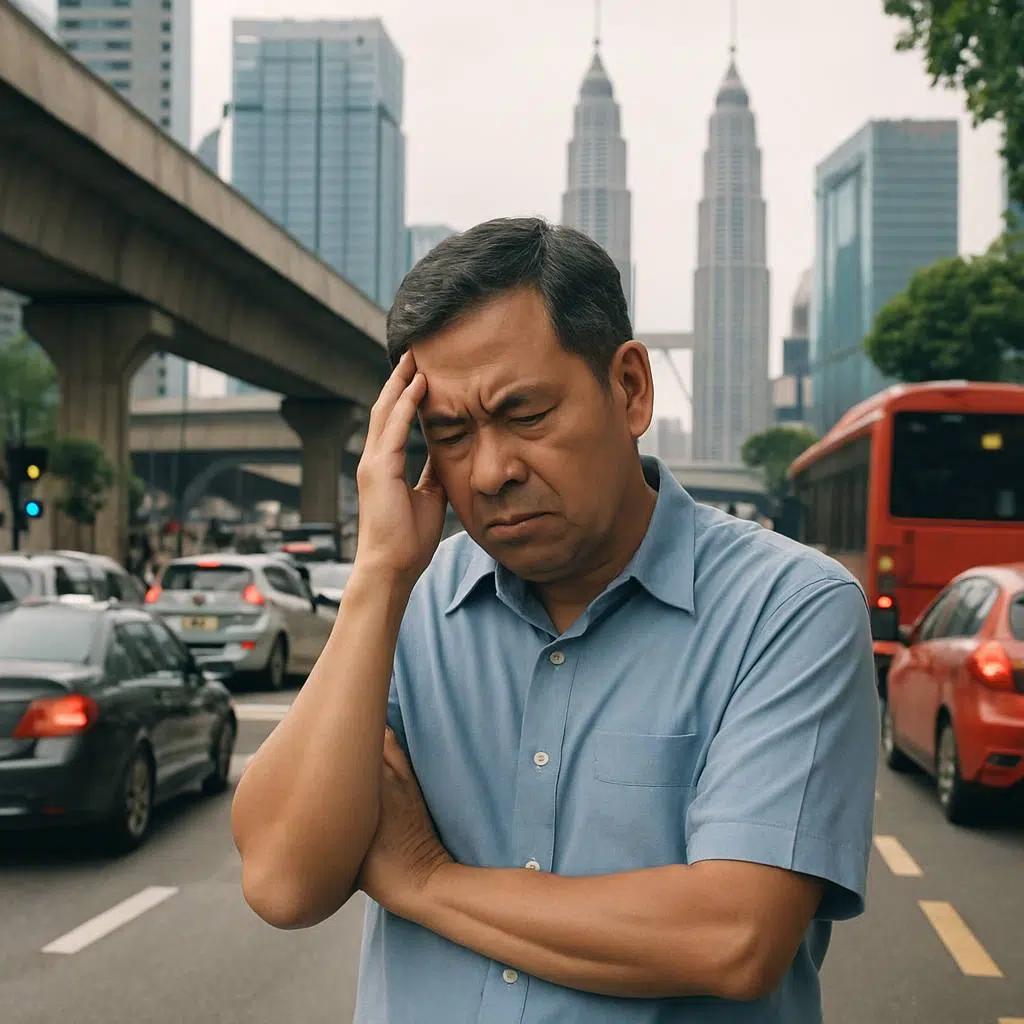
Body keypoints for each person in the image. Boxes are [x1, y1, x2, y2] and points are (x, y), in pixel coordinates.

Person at [231, 217, 879, 1023]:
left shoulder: (786, 611)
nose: (493, 471)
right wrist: (377, 579)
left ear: (632, 389)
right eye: (452, 435)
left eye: (526, 415)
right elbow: (286, 882)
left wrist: (426, 880)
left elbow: (733, 937)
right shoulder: (410, 607)